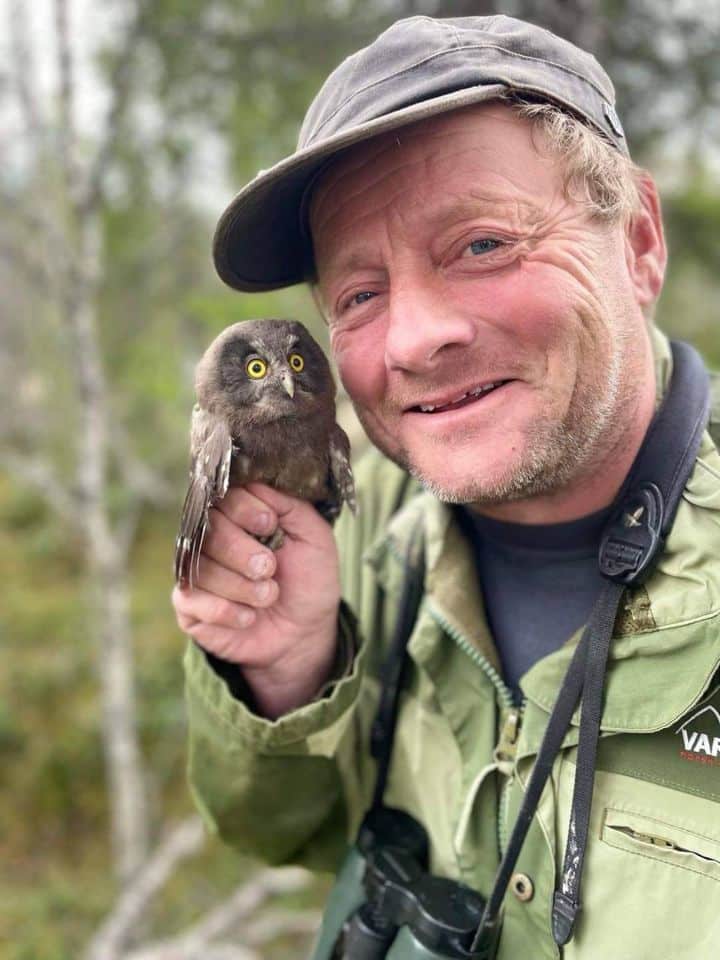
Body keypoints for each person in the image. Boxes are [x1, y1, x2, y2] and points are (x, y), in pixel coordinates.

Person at [172, 15, 720, 958]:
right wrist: (282, 680)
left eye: (480, 246)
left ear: (635, 241)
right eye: (359, 295)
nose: (416, 338)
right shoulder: (348, 523)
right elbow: (275, 829)